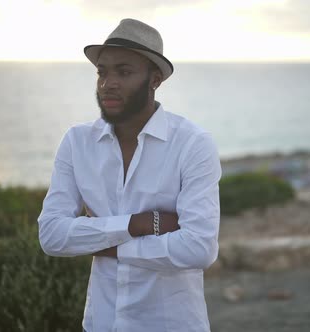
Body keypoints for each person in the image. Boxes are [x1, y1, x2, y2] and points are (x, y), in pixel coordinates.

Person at [37, 18, 222, 332]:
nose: (109, 82)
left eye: (124, 72)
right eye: (102, 71)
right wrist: (137, 224)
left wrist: (101, 242)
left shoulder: (192, 143)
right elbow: (51, 235)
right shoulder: (77, 142)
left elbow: (199, 248)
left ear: (155, 79)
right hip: (101, 322)